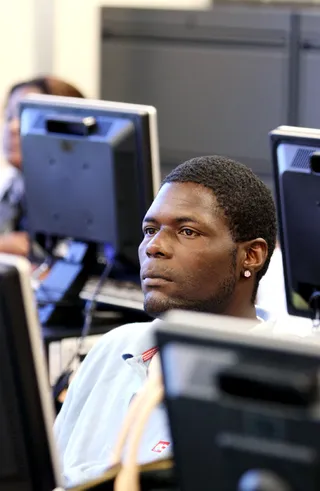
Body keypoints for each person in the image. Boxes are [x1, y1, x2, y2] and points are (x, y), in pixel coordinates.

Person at [54, 155, 277, 487]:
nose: (154, 247)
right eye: (150, 230)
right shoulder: (116, 347)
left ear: (251, 255)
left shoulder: (274, 384)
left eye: (187, 231)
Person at [0, 76, 84, 256]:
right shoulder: (8, 185)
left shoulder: (83, 198)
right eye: (9, 117)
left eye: (25, 117)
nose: (12, 127)